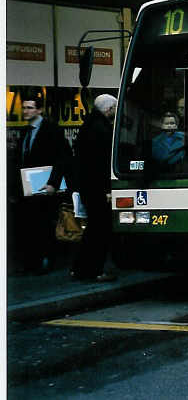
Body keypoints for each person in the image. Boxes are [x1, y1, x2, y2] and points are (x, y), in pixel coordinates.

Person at [9, 94, 72, 274]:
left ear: (39, 110)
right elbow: (20, 160)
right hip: (26, 187)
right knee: (28, 225)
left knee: (43, 224)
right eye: (24, 108)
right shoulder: (25, 131)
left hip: (44, 185)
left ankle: (45, 261)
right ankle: (31, 262)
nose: (25, 111)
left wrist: (53, 183)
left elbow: (62, 158)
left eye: (29, 108)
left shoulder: (51, 130)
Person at [71, 94, 118, 282]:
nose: (115, 111)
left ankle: (79, 268)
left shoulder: (88, 125)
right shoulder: (102, 129)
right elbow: (102, 163)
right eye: (114, 108)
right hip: (98, 188)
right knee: (100, 230)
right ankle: (94, 270)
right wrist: (107, 189)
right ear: (108, 109)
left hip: (87, 186)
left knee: (92, 229)